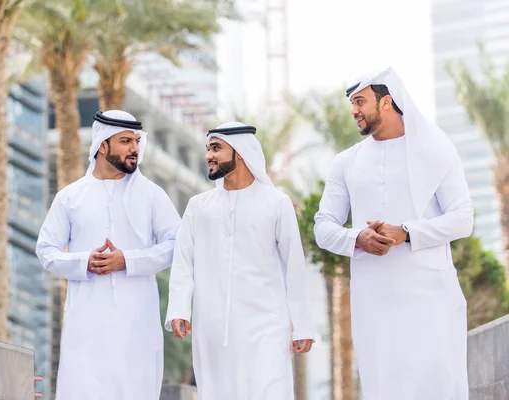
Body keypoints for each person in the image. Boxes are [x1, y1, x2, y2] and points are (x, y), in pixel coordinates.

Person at [314, 67, 473, 399]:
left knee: (439, 386)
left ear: (386, 101)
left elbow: (463, 218)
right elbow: (323, 227)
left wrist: (406, 232)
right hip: (375, 301)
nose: (354, 111)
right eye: (352, 103)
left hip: (432, 298)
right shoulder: (346, 163)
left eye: (360, 101)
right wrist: (358, 237)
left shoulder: (435, 149)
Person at [36, 110, 180, 399]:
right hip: (86, 324)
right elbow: (46, 250)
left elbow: (177, 244)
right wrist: (83, 262)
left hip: (137, 325)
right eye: (126, 141)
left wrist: (126, 260)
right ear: (103, 145)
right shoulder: (70, 196)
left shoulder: (152, 195)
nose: (135, 149)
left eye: (137, 142)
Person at [165, 122, 315, 400]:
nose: (209, 155)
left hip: (266, 326)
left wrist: (303, 325)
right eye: (208, 149)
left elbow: (293, 267)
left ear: (242, 152)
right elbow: (184, 261)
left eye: (216, 148)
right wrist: (179, 309)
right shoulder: (199, 206)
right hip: (212, 328)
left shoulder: (276, 203)